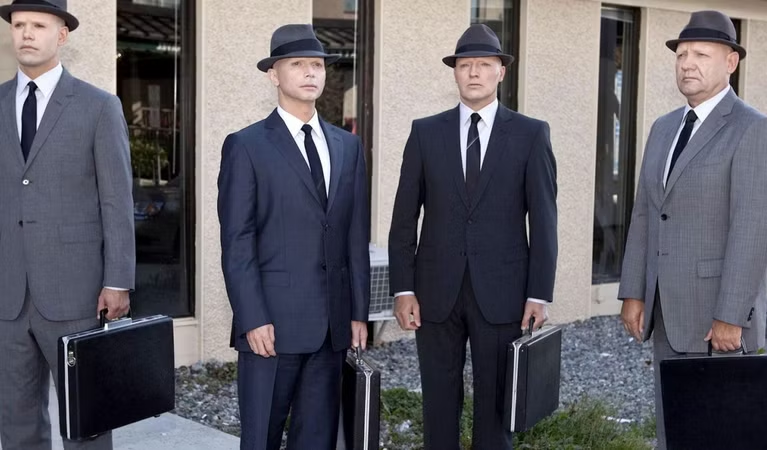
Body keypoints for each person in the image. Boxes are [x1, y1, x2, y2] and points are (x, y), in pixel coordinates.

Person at [388, 23, 558, 450]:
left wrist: (538, 294)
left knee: (496, 409)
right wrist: (403, 289)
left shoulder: (530, 134)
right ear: (455, 73)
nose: (474, 73)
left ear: (501, 71)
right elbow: (404, 218)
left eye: (484, 64)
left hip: (503, 293)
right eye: (466, 65)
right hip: (434, 293)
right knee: (438, 405)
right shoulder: (425, 133)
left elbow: (544, 221)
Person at [618, 10, 767, 449]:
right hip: (666, 311)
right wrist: (634, 291)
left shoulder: (752, 129)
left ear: (730, 62)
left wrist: (731, 316)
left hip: (716, 318)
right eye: (681, 54)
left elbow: (752, 229)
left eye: (701, 54)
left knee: (718, 434)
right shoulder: (664, 127)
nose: (687, 64)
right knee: (673, 430)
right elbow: (646, 213)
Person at [217, 24, 370, 450]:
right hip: (271, 327)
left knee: (317, 440)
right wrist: (252, 317)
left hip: (331, 329)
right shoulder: (246, 145)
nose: (309, 73)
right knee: (261, 439)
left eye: (317, 65)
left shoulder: (348, 147)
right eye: (297, 64)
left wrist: (358, 312)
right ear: (274, 74)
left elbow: (355, 236)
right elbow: (237, 241)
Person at [0, 0, 135, 449]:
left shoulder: (99, 107)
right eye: (19, 24)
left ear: (61, 35)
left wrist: (117, 280)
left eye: (39, 25)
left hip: (77, 293)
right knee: (16, 424)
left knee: (86, 422)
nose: (26, 33)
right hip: (7, 294)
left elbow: (116, 200)